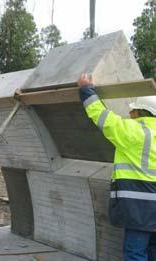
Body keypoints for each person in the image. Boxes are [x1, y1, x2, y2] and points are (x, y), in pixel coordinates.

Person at [78, 73, 156, 261]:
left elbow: (103, 117)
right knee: (153, 250)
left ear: (139, 112)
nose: (129, 113)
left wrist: (85, 90)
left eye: (132, 110)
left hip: (140, 207)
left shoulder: (134, 131)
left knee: (135, 252)